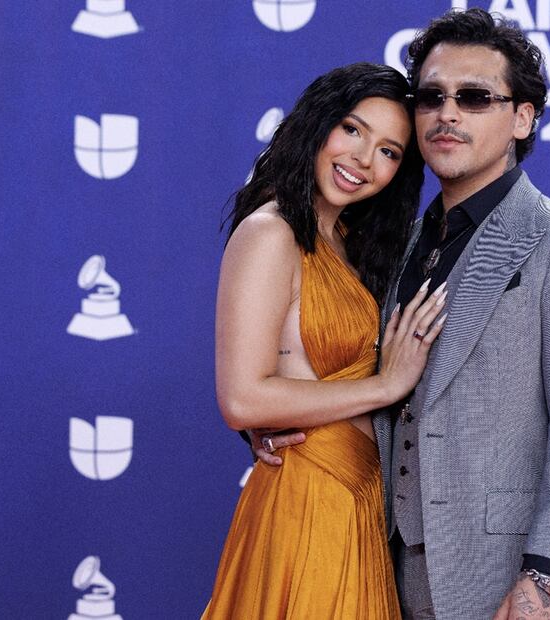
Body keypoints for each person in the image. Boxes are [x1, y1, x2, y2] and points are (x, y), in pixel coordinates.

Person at [254, 10, 550, 620]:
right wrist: (278, 421)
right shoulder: (390, 243)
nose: (447, 113)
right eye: (432, 96)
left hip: (505, 579)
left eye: (475, 97)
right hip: (377, 568)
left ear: (522, 117)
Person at [202, 63, 446, 619]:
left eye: (389, 151)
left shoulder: (343, 241)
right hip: (308, 498)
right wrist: (386, 385)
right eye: (353, 130)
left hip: (357, 499)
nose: (363, 159)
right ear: (317, 124)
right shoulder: (271, 232)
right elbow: (242, 398)